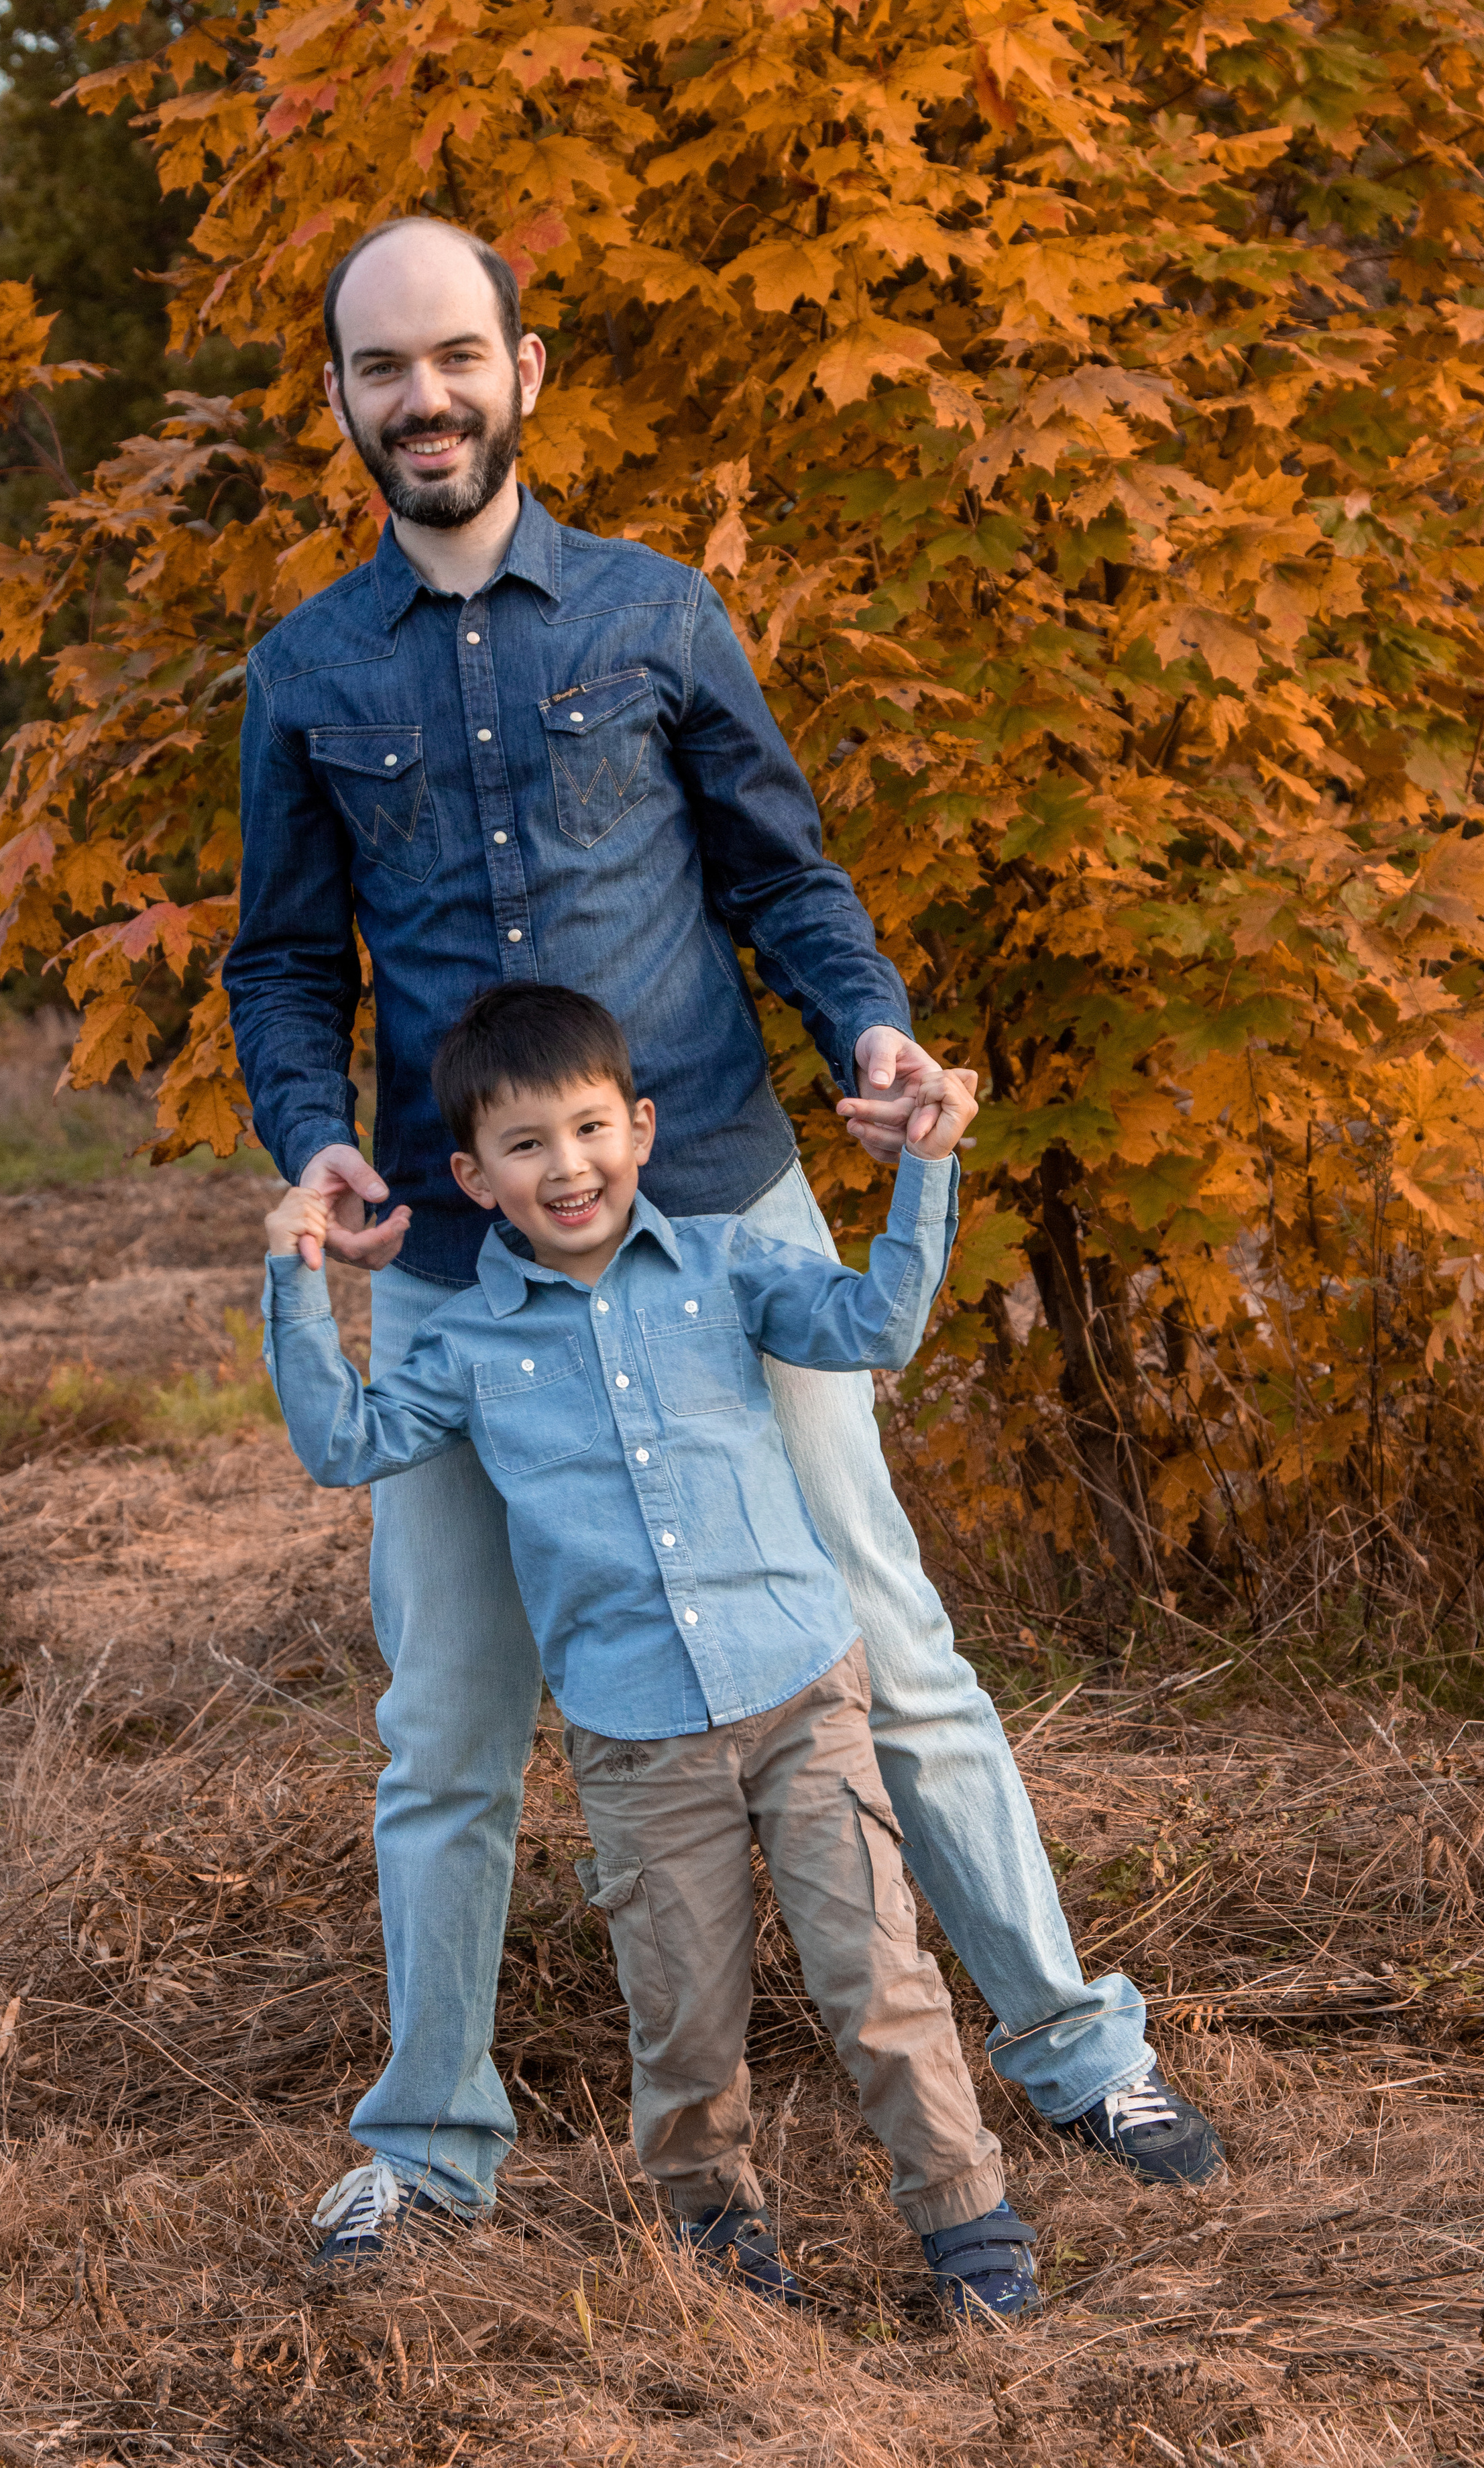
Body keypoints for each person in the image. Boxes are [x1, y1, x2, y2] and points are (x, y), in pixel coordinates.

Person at [223, 213, 1221, 2273]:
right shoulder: (308, 670)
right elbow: (276, 963)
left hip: (717, 1220)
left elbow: (786, 874)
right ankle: (427, 2142)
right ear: (342, 401)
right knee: (450, 1724)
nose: (424, 397)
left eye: (456, 356)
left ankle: (1067, 2045)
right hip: (456, 1259)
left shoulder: (662, 618)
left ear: (525, 367)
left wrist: (869, 1024)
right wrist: (319, 1148)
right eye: (381, 369)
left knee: (894, 1649)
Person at [266, 983, 1045, 2319]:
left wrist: (923, 1180)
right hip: (635, 1739)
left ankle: (966, 2220)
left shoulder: (725, 1269)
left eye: (585, 1130)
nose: (563, 1167)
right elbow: (343, 1447)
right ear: (473, 1175)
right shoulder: (466, 1346)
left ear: (636, 1126)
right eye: (524, 1146)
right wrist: (295, 1282)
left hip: (802, 1694)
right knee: (682, 2023)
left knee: (878, 1982)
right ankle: (717, 2239)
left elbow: (877, 1330)